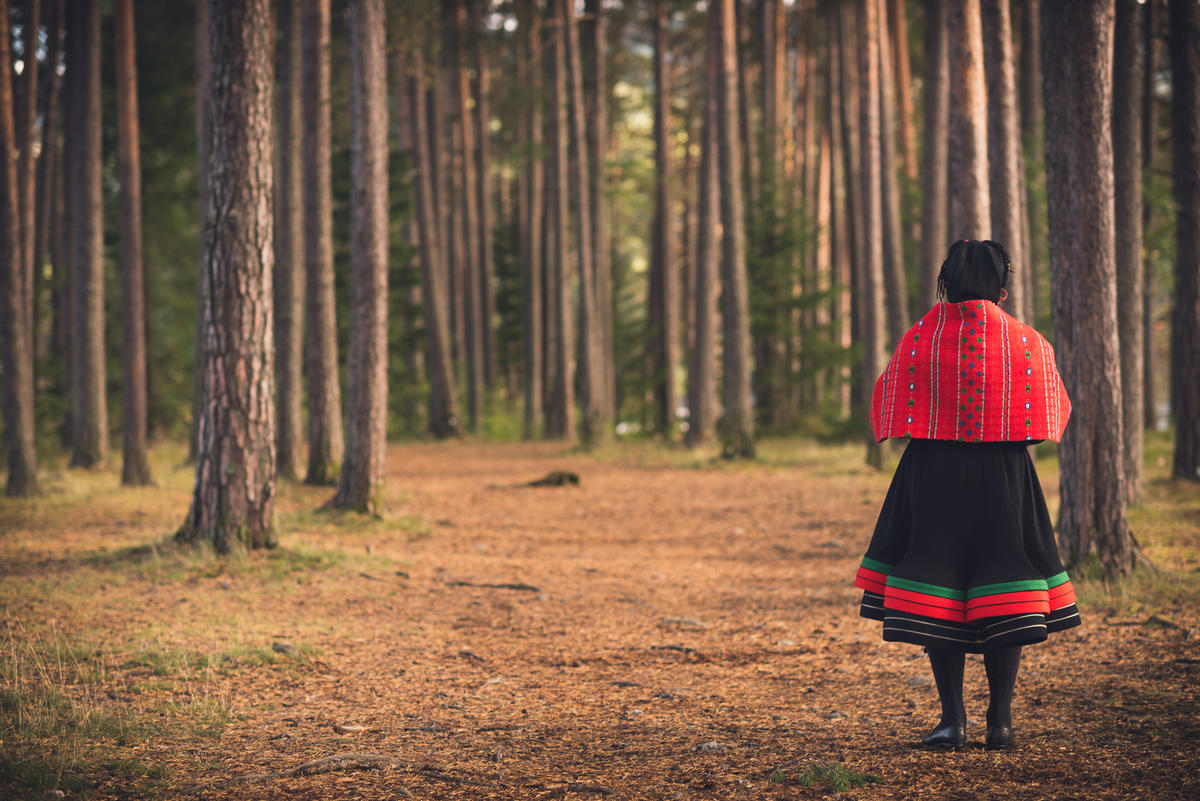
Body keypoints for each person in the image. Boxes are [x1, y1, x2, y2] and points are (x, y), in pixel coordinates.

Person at [853, 239, 1080, 751]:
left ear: (947, 286)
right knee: (1008, 591)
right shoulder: (1026, 341)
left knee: (939, 593)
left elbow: (890, 398)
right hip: (1004, 480)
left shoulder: (922, 339)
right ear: (1001, 289)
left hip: (933, 479)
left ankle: (952, 722)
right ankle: (1000, 722)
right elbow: (1050, 412)